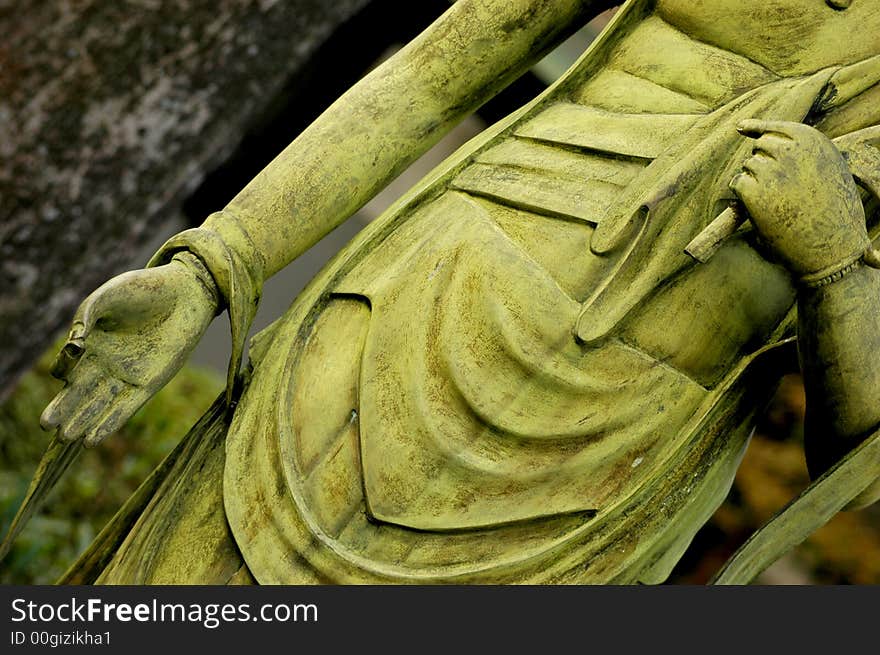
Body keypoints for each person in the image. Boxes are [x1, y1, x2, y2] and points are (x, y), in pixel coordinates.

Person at [35, 0, 880, 583]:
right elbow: (432, 77)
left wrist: (836, 261)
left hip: (611, 458)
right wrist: (217, 262)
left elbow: (860, 465)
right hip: (411, 310)